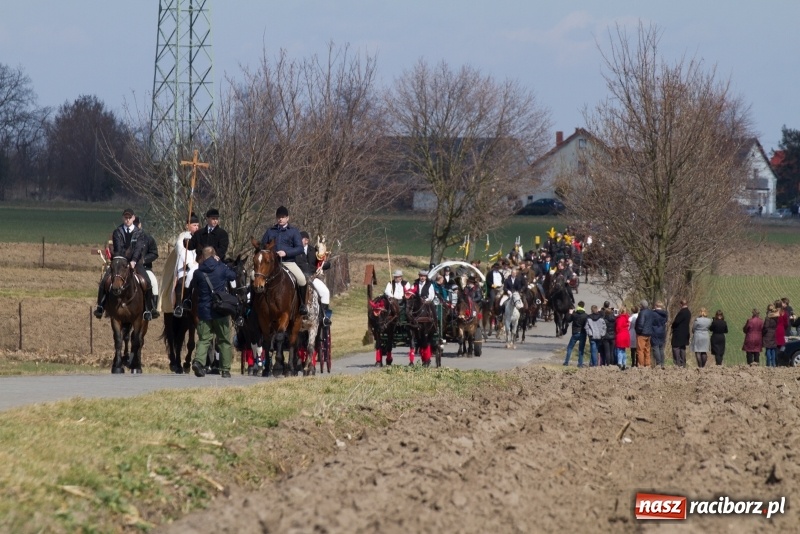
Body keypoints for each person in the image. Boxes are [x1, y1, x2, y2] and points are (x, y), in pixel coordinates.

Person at [94, 207, 152, 320]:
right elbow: (119, 248)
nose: (127, 220)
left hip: (136, 262)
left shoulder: (139, 233)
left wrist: (133, 261)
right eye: (126, 217)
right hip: (120, 262)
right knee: (104, 281)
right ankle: (100, 306)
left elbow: (138, 248)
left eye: (130, 217)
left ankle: (148, 309)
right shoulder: (117, 232)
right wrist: (123, 261)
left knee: (147, 282)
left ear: (133, 218)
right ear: (123, 218)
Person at [190, 246, 236, 379]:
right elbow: (233, 276)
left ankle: (198, 362)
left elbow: (194, 287)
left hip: (204, 311)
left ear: (203, 256)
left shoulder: (198, 272)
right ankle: (225, 370)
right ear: (214, 255)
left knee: (204, 339)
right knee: (224, 341)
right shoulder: (221, 268)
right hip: (220, 310)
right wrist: (220, 262)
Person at [260, 206, 309, 315]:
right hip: (271, 263)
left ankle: (302, 305)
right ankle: (251, 304)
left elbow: (300, 248)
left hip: (288, 262)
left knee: (302, 280)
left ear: (287, 218)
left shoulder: (294, 231)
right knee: (253, 276)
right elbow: (262, 246)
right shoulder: (270, 231)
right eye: (278, 217)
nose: (280, 219)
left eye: (282, 217)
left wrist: (286, 253)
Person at [296, 230, 332, 321]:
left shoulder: (314, 251)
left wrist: (325, 264)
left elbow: (322, 262)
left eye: (300, 239)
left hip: (312, 277)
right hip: (298, 277)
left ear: (306, 240)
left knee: (325, 292)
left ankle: (324, 318)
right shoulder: (295, 251)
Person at [133, 216, 160, 319]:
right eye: (134, 225)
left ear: (140, 224)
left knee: (154, 282)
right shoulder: (126, 238)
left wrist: (144, 259)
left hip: (144, 267)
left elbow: (154, 253)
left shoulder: (148, 238)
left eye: (137, 224)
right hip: (129, 267)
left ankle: (152, 308)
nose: (136, 226)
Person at [175, 212, 200, 299]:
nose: (197, 227)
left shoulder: (200, 237)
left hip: (197, 266)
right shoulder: (182, 238)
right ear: (187, 226)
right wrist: (189, 264)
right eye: (194, 225)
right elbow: (182, 252)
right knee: (181, 283)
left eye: (198, 225)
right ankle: (180, 304)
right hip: (184, 268)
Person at [564, 301, 588, 367]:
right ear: (583, 306)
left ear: (578, 306)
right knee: (581, 349)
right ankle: (580, 363)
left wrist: (569, 313)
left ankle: (566, 362)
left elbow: (568, 320)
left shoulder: (574, 314)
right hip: (582, 333)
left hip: (575, 333)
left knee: (570, 348)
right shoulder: (586, 315)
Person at [670, 299, 691, 367]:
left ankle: (677, 363)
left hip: (678, 332)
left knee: (676, 347)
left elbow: (676, 322)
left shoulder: (682, 312)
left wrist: (672, 326)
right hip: (685, 332)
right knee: (682, 348)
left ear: (681, 304)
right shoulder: (688, 312)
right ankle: (683, 363)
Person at [635, 299, 653, 368]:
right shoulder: (650, 312)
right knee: (647, 350)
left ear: (642, 305)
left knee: (640, 350)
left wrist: (638, 332)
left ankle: (641, 365)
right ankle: (648, 364)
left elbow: (640, 324)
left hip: (642, 334)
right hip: (649, 333)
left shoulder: (642, 313)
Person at [650, 301, 668, 369]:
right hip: (662, 331)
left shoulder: (653, 314)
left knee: (655, 347)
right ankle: (662, 363)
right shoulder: (665, 314)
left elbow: (651, 322)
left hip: (655, 331)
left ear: (656, 306)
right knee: (661, 348)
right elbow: (665, 321)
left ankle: (658, 363)